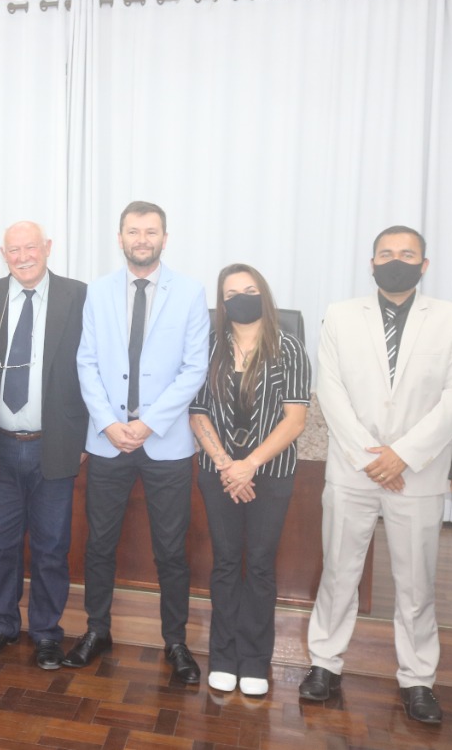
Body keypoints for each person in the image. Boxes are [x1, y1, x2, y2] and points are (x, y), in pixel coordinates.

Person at [301, 226, 452, 725]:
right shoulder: (340, 315)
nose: (395, 261)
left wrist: (402, 455)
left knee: (416, 582)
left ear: (424, 265)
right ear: (372, 263)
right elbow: (331, 391)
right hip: (353, 469)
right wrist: (371, 458)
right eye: (386, 253)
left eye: (407, 254)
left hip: (417, 473)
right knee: (339, 571)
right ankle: (324, 663)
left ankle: (418, 679)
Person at [66, 201, 209, 681]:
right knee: (99, 544)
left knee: (170, 549)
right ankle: (96, 629)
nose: (142, 239)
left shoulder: (189, 292)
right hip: (108, 440)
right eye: (133, 231)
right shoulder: (98, 291)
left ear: (165, 238)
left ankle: (176, 642)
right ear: (120, 238)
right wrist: (109, 423)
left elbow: (194, 368)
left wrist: (148, 423)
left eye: (150, 231)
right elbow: (86, 362)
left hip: (165, 443)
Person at [0, 221, 88, 670]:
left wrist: (84, 436)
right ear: (3, 254)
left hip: (56, 444)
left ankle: (47, 632)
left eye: (30, 247)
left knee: (52, 546)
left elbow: (94, 370)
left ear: (47, 247)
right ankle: (1, 625)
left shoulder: (78, 297)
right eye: (14, 250)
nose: (23, 256)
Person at [189, 264, 310, 696]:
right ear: (222, 303)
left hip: (270, 474)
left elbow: (295, 419)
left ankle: (255, 660)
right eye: (231, 293)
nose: (241, 297)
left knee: (259, 564)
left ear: (264, 294)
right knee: (224, 563)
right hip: (218, 473)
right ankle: (223, 656)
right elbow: (196, 411)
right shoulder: (207, 346)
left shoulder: (288, 347)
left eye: (250, 289)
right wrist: (227, 464)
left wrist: (250, 464)